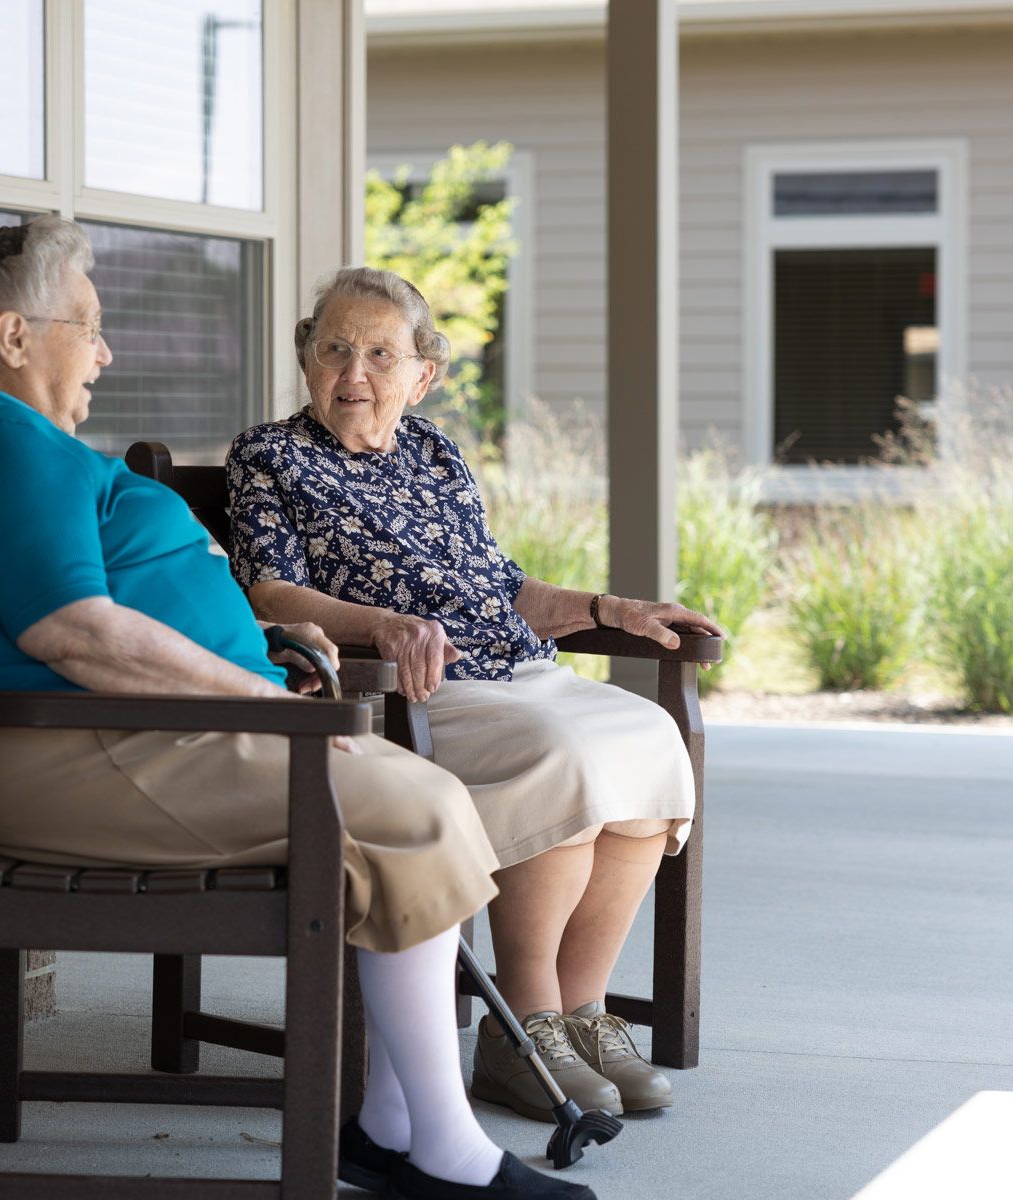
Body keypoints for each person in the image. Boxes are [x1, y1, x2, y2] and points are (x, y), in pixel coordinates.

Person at [0, 217, 592, 1200]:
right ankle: (441, 1151)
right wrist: (255, 697)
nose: (104, 351)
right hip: (64, 751)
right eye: (88, 326)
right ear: (16, 338)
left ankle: (397, 1129)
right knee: (413, 808)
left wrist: (271, 656)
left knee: (416, 798)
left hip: (132, 736)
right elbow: (74, 634)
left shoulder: (23, 443)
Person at [226, 267, 724, 1122]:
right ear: (306, 357)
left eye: (381, 354)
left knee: (647, 742)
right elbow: (271, 593)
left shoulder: (435, 453)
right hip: (407, 689)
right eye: (335, 348)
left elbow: (505, 588)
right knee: (560, 758)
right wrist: (382, 621)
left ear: (423, 374)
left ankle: (582, 1016)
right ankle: (518, 1032)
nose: (354, 374)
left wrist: (609, 609)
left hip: (513, 672)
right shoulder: (271, 456)